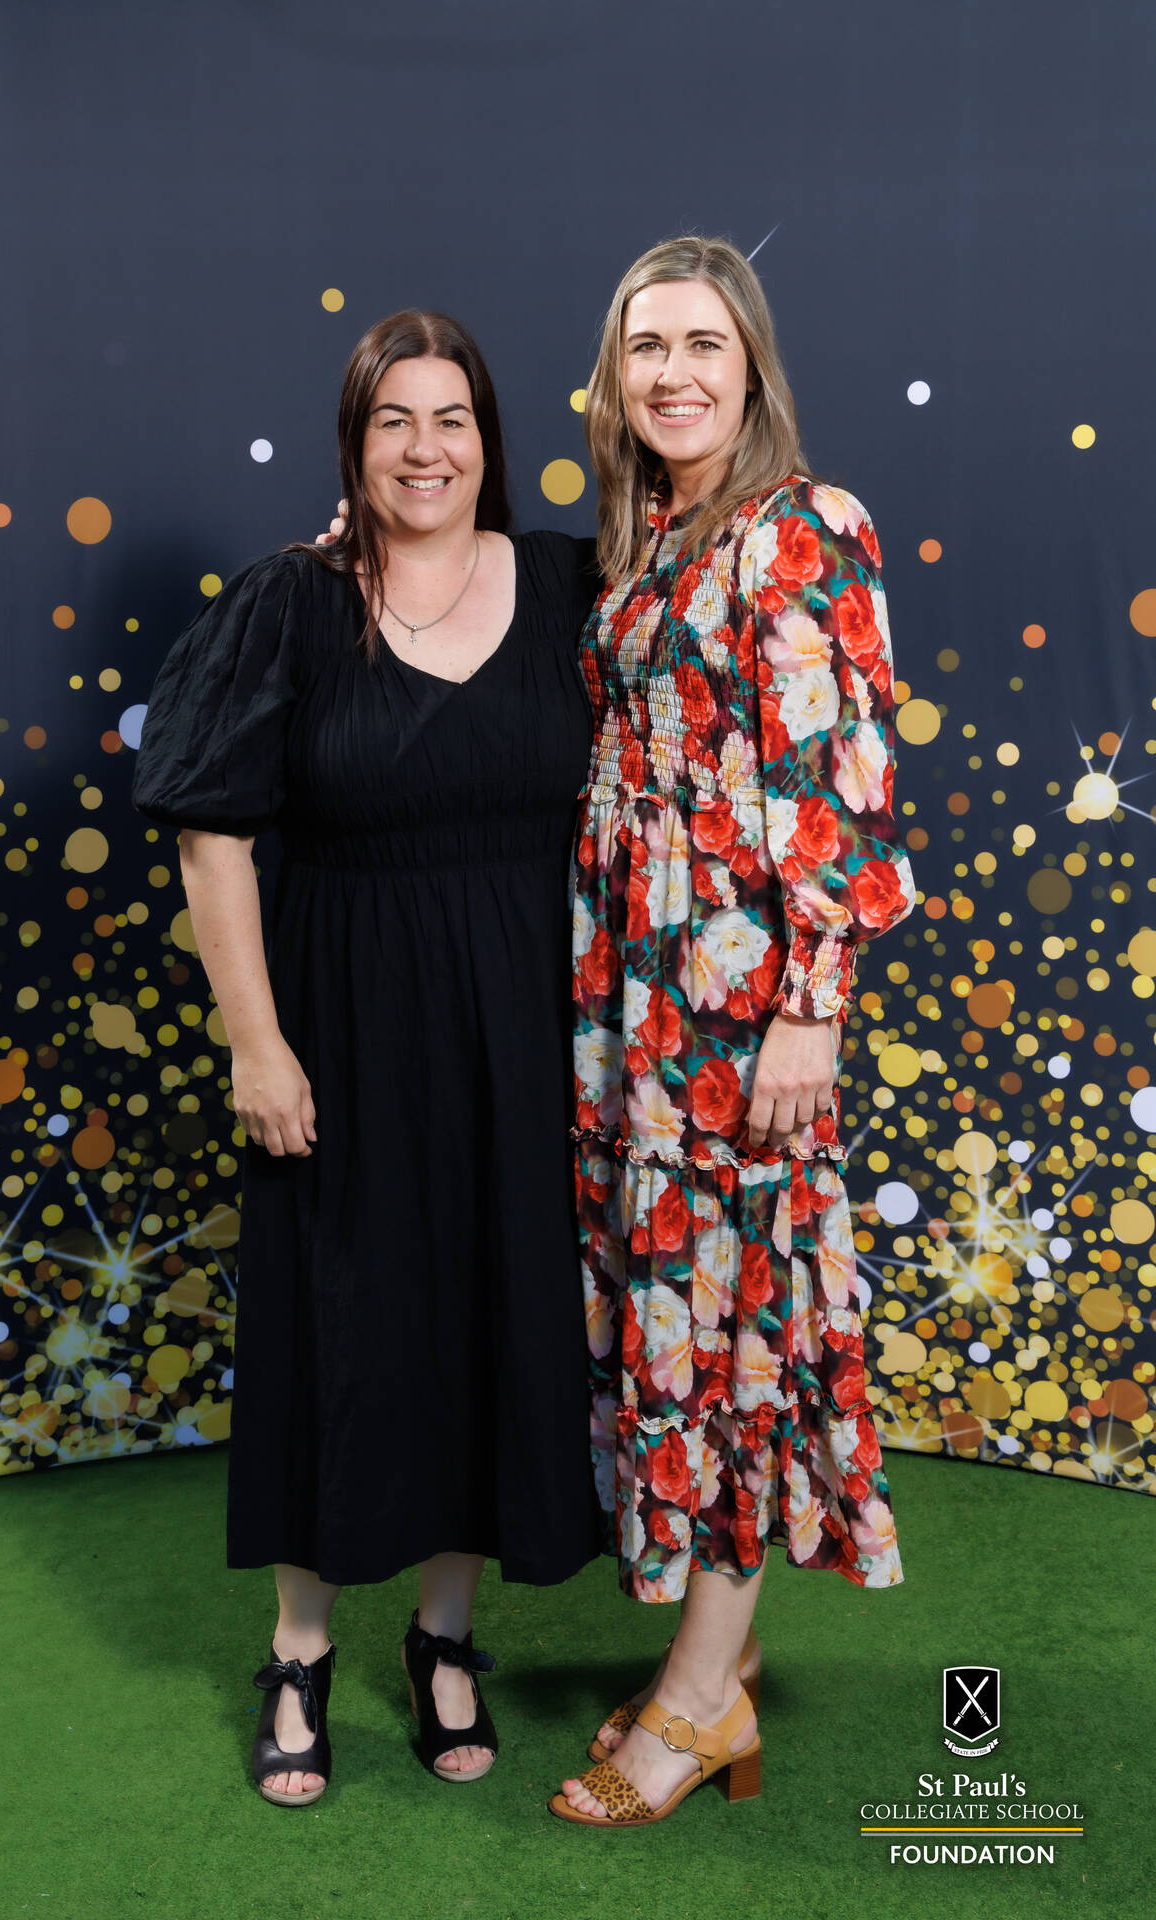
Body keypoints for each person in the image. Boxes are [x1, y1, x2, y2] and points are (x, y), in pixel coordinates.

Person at [131, 310, 601, 1807]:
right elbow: (213, 839)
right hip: (338, 1026)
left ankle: (444, 1637)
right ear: (355, 442)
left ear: (489, 440)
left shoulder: (575, 586)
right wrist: (256, 1046)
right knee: (336, 1329)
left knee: (487, 1316)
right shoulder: (291, 601)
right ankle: (300, 1650)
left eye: (450, 418)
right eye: (393, 419)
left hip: (525, 1033)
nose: (424, 448)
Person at [548, 236, 915, 1828]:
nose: (673, 372)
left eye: (702, 343)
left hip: (737, 1002)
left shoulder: (800, 526)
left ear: (750, 363)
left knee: (734, 1330)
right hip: (631, 997)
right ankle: (723, 1657)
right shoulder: (649, 537)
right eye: (646, 347)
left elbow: (844, 784)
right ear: (613, 374)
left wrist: (808, 1010)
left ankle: (698, 1704)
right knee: (677, 1318)